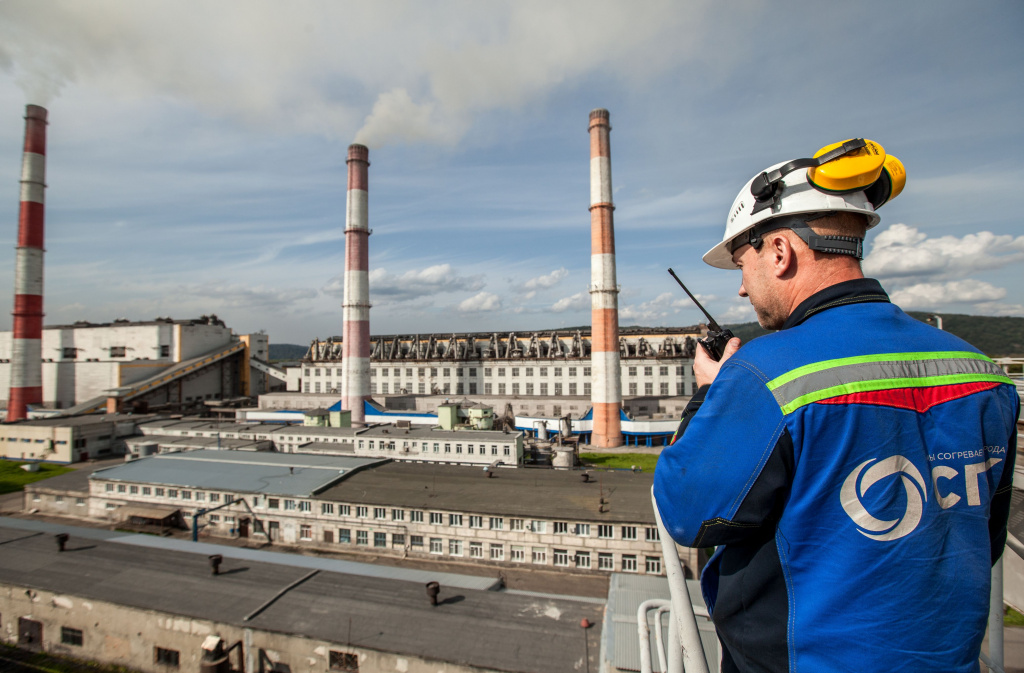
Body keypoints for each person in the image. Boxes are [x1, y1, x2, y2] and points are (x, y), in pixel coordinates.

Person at [654, 139, 1020, 673]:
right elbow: (980, 535)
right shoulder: (982, 370)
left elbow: (689, 512)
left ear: (779, 252)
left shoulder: (768, 373)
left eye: (742, 264)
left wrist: (711, 392)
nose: (740, 290)